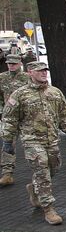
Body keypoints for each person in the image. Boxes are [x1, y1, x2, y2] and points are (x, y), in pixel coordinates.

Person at [1, 61, 66, 225]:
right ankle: (48, 209)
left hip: (52, 140)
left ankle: (34, 189)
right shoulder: (20, 95)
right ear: (30, 72)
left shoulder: (55, 92)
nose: (44, 73)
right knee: (42, 171)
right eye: (40, 71)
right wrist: (7, 140)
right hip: (32, 140)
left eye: (45, 70)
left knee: (53, 168)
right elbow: (9, 119)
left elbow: (64, 114)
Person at [0, 55, 30, 187]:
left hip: (25, 116)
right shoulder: (2, 77)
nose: (11, 66)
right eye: (9, 63)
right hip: (10, 117)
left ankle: (39, 171)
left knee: (31, 143)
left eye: (14, 64)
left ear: (20, 64)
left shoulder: (27, 78)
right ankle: (7, 173)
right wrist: (2, 110)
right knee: (7, 143)